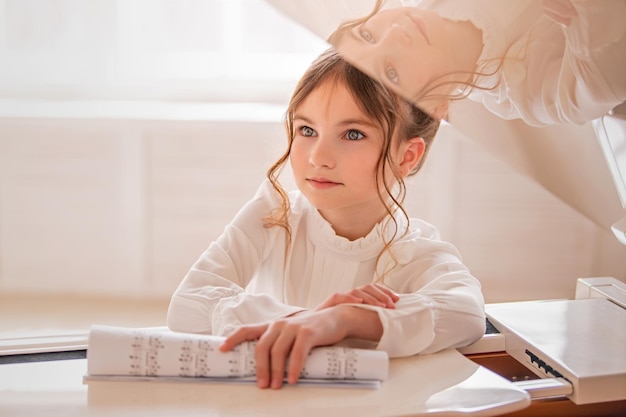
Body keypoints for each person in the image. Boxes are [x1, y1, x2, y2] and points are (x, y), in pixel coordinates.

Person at [166, 48, 485, 389]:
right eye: (306, 130)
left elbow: (466, 315)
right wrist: (310, 321)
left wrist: (349, 319)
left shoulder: (416, 251)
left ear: (406, 156)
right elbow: (187, 304)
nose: (318, 157)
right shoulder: (273, 214)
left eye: (352, 134)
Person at [315, 0, 626, 126]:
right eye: (391, 72)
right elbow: (603, 84)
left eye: (367, 34)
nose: (396, 33)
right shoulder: (530, 93)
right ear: (436, 109)